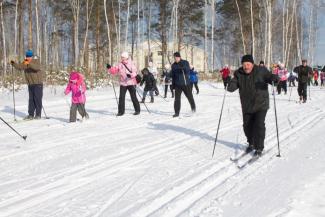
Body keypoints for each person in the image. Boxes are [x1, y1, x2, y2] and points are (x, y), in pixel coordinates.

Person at [227, 54, 279, 157]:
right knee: (247, 126)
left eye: (248, 64)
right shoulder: (239, 73)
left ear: (252, 64)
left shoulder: (261, 70)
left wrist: (274, 78)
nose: (246, 67)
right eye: (244, 64)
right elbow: (233, 86)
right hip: (246, 105)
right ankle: (251, 142)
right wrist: (229, 85)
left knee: (259, 125)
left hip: (261, 103)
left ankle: (259, 147)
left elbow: (269, 77)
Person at [10, 50, 43, 120]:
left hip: (38, 84)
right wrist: (13, 63)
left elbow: (36, 68)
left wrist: (29, 63)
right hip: (30, 84)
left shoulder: (36, 61)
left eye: (29, 56)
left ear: (32, 56)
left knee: (37, 99)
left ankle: (38, 115)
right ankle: (30, 115)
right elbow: (20, 67)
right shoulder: (26, 62)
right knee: (31, 100)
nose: (28, 58)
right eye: (27, 56)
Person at [107, 51, 140, 116]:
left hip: (131, 83)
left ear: (126, 57)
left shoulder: (131, 63)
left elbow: (135, 72)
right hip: (123, 83)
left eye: (123, 57)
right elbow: (114, 71)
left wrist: (131, 75)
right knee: (121, 97)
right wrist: (110, 68)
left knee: (133, 97)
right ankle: (121, 112)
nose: (122, 58)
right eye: (121, 57)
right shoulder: (120, 64)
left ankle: (137, 110)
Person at [171, 52, 196, 118]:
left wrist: (183, 68)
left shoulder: (185, 62)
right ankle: (176, 112)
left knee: (190, 97)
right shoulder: (173, 65)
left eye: (177, 57)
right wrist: (173, 85)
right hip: (177, 85)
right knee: (177, 99)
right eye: (175, 57)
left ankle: (193, 109)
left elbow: (188, 71)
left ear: (179, 57)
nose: (176, 58)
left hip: (185, 84)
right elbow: (173, 76)